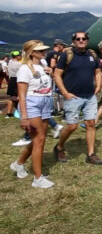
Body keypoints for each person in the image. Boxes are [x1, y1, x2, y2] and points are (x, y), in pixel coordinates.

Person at [9, 41, 56, 188]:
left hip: (46, 102)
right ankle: (38, 178)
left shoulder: (43, 65)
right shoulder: (24, 69)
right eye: (40, 50)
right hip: (33, 103)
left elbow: (46, 85)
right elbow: (21, 95)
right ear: (31, 53)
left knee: (38, 140)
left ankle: (19, 164)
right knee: (39, 139)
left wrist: (52, 74)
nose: (44, 52)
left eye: (44, 50)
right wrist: (24, 117)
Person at [53, 32, 102, 165]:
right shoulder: (66, 55)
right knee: (72, 126)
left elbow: (97, 72)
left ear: (87, 40)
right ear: (74, 41)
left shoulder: (92, 55)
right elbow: (57, 75)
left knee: (91, 124)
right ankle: (59, 147)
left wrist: (98, 85)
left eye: (84, 38)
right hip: (72, 96)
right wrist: (65, 93)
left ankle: (91, 154)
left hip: (90, 96)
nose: (81, 41)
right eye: (78, 39)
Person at [5, 51, 22, 117]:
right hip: (17, 80)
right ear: (17, 56)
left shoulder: (10, 62)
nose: (21, 56)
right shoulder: (19, 64)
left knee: (11, 97)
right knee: (19, 97)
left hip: (11, 79)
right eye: (20, 55)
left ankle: (9, 113)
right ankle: (19, 111)